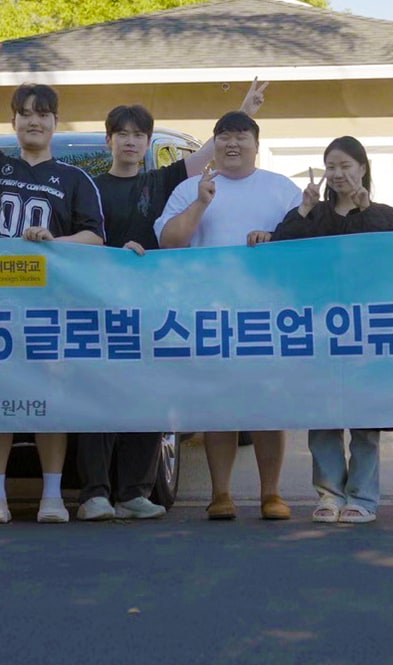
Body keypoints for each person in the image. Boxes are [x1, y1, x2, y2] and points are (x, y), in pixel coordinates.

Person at [76, 80, 267, 523]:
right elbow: (79, 239)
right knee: (97, 397)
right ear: (109, 140)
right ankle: (94, 494)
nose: (129, 141)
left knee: (147, 395)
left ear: (147, 142)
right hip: (97, 306)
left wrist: (244, 111)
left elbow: (213, 153)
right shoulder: (86, 186)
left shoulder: (161, 181)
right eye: (121, 134)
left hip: (153, 308)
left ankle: (134, 492)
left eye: (138, 134)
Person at [0, 42, 105, 524]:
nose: (33, 122)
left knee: (50, 397)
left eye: (42, 115)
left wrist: (56, 240)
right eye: (24, 115)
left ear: (55, 123)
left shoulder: (74, 178)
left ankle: (51, 496)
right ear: (14, 122)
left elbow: (96, 237)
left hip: (52, 305)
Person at [156, 110, 302, 521]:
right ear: (214, 143)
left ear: (257, 144)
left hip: (267, 316)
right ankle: (220, 494)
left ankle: (271, 494)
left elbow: (305, 240)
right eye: (223, 136)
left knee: (267, 409)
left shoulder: (281, 189)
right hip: (208, 314)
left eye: (241, 136)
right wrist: (202, 204)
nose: (232, 144)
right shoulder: (190, 188)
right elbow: (169, 242)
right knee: (218, 407)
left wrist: (274, 238)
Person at [273, 136, 393, 524]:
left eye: (346, 165)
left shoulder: (382, 212)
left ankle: (363, 498)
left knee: (364, 418)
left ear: (362, 168)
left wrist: (363, 209)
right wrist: (305, 208)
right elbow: (281, 247)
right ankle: (329, 495)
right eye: (332, 166)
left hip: (366, 327)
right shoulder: (314, 213)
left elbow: (388, 256)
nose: (338, 173)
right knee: (323, 414)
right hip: (320, 325)